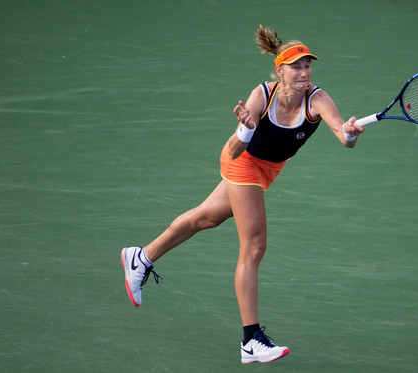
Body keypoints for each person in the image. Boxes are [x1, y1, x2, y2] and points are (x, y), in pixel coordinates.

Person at [121, 25, 365, 364]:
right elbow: (235, 150)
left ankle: (141, 257)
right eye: (296, 67)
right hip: (241, 162)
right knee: (254, 246)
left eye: (308, 66)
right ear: (280, 70)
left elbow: (344, 138)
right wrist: (246, 128)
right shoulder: (261, 96)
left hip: (268, 171)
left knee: (205, 218)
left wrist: (351, 133)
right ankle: (251, 339)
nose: (304, 72)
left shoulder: (318, 99)